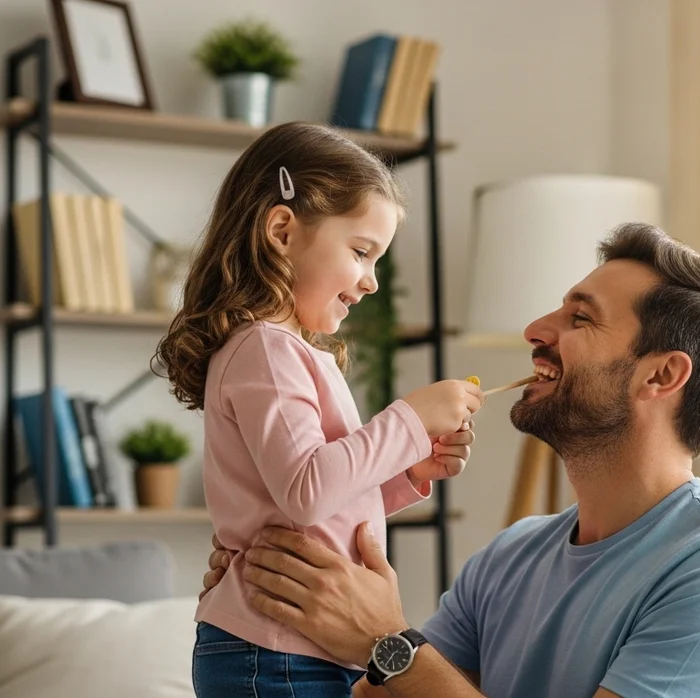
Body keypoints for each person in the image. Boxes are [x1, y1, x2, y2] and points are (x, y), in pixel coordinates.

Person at [203, 223, 700, 698]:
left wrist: (387, 641)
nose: (535, 329)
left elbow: (400, 663)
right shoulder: (509, 559)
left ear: (662, 374)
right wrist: (278, 612)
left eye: (580, 318)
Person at [156, 122, 485, 698]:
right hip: (275, 650)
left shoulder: (288, 352)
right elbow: (307, 490)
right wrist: (408, 418)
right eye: (361, 252)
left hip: (302, 645)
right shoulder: (265, 348)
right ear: (282, 229)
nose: (372, 281)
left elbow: (316, 505)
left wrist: (408, 471)